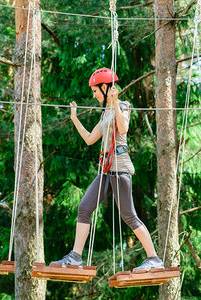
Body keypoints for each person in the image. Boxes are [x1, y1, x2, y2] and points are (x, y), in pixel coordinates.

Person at [52, 68, 163, 272]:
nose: (93, 95)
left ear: (105, 87)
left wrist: (114, 102)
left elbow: (123, 128)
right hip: (105, 171)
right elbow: (89, 139)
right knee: (84, 208)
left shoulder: (122, 106)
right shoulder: (105, 114)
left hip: (119, 169)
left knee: (129, 215)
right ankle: (76, 257)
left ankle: (154, 258)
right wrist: (75, 118)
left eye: (95, 90)